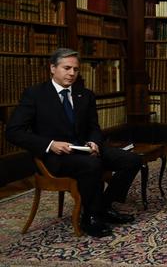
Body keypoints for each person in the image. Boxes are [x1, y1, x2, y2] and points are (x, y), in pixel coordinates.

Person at [6, 48, 142, 237]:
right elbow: (13, 132)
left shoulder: (84, 94)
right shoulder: (35, 94)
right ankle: (90, 218)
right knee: (92, 164)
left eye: (76, 69)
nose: (72, 74)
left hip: (85, 149)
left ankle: (103, 205)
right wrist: (50, 143)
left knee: (132, 160)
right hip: (55, 156)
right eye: (67, 68)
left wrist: (94, 141)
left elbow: (94, 127)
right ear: (52, 68)